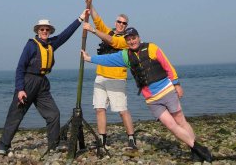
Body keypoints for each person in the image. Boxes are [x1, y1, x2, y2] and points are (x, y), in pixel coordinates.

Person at [82, 26, 213, 163]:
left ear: (138, 37)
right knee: (171, 126)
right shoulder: (125, 56)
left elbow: (168, 66)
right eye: (129, 39)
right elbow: (108, 59)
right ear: (126, 42)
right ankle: (199, 148)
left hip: (167, 91)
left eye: (134, 38)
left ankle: (194, 151)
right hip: (151, 99)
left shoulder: (152, 48)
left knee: (180, 121)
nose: (132, 41)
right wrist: (89, 58)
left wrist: (177, 84)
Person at [0, 9, 89, 156]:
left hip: (42, 84)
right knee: (16, 114)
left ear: (50, 31)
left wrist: (81, 18)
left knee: (54, 114)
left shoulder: (52, 43)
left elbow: (66, 34)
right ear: (38, 31)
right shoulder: (31, 46)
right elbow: (20, 68)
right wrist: (20, 89)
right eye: (42, 29)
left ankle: (53, 145)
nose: (45, 31)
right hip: (28, 82)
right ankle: (3, 145)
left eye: (47, 29)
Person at [85, 0, 136, 150]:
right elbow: (97, 20)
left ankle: (131, 138)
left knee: (121, 110)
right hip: (101, 77)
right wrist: (90, 3)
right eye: (119, 21)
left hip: (116, 79)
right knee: (99, 108)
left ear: (126, 26)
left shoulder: (125, 40)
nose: (121, 24)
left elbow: (112, 41)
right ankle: (102, 140)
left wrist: (93, 31)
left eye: (124, 23)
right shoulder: (108, 31)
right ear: (115, 22)